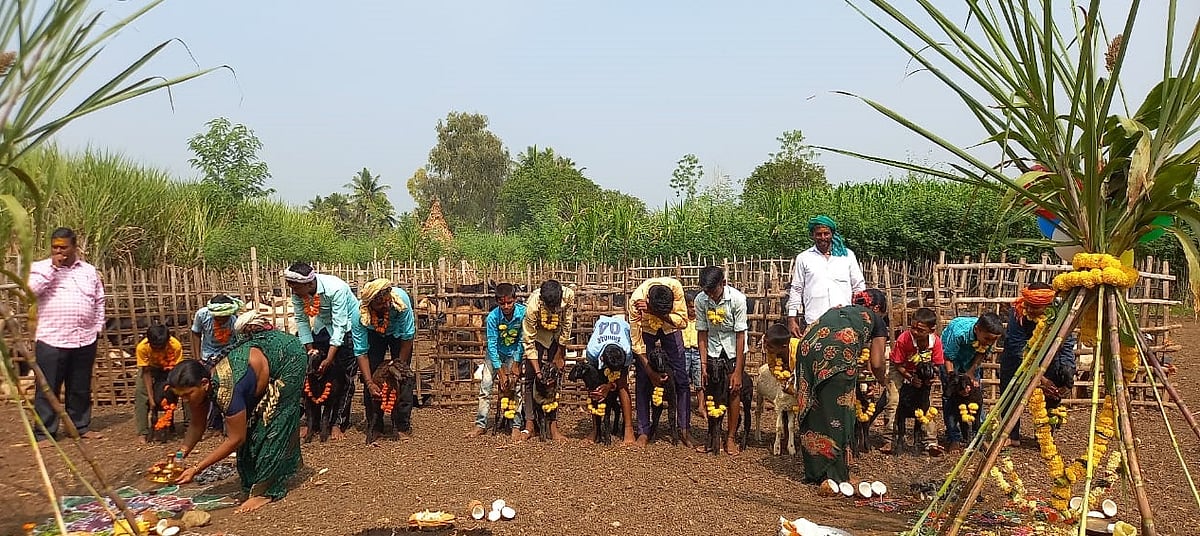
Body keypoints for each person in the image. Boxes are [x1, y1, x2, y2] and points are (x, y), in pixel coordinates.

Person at [170, 311, 305, 513]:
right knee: (251, 428)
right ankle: (256, 480)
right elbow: (197, 425)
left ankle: (267, 491)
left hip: (289, 356)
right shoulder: (199, 388)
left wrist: (196, 469)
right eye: (181, 396)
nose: (185, 400)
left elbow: (236, 438)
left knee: (272, 423)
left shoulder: (227, 389)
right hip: (259, 358)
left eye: (188, 394)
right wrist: (179, 457)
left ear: (205, 384)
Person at [794, 289, 888, 483]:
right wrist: (883, 381)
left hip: (806, 350)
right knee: (840, 413)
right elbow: (877, 363)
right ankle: (837, 475)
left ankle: (815, 471)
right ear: (877, 308)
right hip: (836, 356)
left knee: (815, 408)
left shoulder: (840, 311)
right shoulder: (876, 320)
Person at [29, 227, 106, 440]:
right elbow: (31, 292)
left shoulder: (88, 271)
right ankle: (44, 433)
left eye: (63, 247)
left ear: (74, 247)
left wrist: (97, 327)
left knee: (80, 387)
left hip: (84, 338)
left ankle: (80, 427)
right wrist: (53, 268)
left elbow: (99, 300)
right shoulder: (40, 268)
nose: (58, 251)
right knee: (47, 388)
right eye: (55, 247)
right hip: (52, 339)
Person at [283, 262, 360, 441]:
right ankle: (312, 423)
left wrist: (330, 358)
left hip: (347, 328)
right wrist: (311, 352)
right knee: (311, 373)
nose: (293, 291)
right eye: (291, 286)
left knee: (345, 378)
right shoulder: (298, 293)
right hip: (321, 327)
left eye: (295, 287)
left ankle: (337, 423)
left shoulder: (337, 288)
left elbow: (340, 325)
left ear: (309, 284)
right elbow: (301, 321)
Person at [999, 282, 1077, 447]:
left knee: (1052, 394)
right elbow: (1017, 348)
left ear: (1048, 306)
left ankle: (1044, 435)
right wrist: (1039, 379)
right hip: (1017, 361)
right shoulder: (1018, 312)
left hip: (1050, 359)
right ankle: (1011, 435)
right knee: (1011, 394)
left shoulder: (1062, 315)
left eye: (1035, 307)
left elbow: (1067, 344)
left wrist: (1067, 373)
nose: (1029, 309)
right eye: (1028, 305)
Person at [628, 276, 691, 448]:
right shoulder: (636, 300)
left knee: (681, 378)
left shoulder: (675, 288)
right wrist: (650, 371)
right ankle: (643, 431)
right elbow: (637, 343)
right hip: (646, 330)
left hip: (671, 328)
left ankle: (684, 429)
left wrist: (656, 313)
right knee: (643, 378)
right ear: (647, 299)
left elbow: (683, 322)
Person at [693, 266, 749, 455]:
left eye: (713, 290)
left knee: (734, 391)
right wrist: (703, 365)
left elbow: (740, 335)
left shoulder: (738, 299)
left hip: (734, 350)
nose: (710, 295)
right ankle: (712, 437)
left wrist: (738, 371)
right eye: (706, 291)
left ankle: (730, 437)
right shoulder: (701, 300)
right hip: (712, 350)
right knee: (712, 393)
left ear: (723, 283)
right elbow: (702, 332)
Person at [354, 278, 417, 438]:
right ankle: (375, 425)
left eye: (387, 300)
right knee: (372, 375)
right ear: (370, 305)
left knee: (403, 378)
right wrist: (369, 383)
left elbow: (408, 337)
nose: (387, 305)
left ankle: (402, 425)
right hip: (373, 334)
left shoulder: (401, 302)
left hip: (399, 336)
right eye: (381, 304)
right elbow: (361, 352)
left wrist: (398, 365)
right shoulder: (359, 315)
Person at [786, 215, 867, 338]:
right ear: (812, 235)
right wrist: (792, 318)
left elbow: (859, 286)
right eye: (819, 234)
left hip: (844, 319)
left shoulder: (847, 256)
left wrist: (859, 313)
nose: (823, 237)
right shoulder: (804, 258)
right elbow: (797, 289)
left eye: (826, 234)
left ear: (832, 234)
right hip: (815, 320)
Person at [881, 307, 944, 455]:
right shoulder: (904, 339)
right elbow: (898, 364)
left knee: (925, 404)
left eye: (920, 330)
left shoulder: (935, 342)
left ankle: (930, 441)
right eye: (913, 327)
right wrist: (910, 378)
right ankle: (890, 439)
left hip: (922, 372)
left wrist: (931, 378)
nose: (915, 332)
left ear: (931, 330)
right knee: (894, 400)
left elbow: (936, 365)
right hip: (901, 369)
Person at [939, 312, 1004, 450]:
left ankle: (979, 438)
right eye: (987, 338)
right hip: (951, 363)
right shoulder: (959, 333)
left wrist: (970, 373)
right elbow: (948, 358)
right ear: (977, 329)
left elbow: (982, 352)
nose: (990, 342)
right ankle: (954, 437)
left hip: (970, 363)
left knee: (976, 398)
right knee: (950, 399)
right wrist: (954, 381)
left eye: (993, 340)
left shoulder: (988, 337)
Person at [468, 283, 526, 438]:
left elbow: (522, 340)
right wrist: (500, 372)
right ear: (497, 302)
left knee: (516, 388)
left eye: (509, 303)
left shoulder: (523, 314)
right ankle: (480, 424)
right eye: (502, 303)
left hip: (514, 354)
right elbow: (492, 345)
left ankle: (516, 425)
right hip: (495, 355)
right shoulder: (493, 317)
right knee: (485, 387)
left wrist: (516, 363)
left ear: (515, 299)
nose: (506, 306)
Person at [519, 279, 574, 441]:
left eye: (556, 306)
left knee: (555, 378)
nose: (554, 310)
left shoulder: (569, 296)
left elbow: (567, 325)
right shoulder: (532, 307)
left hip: (556, 336)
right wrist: (538, 371)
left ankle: (553, 426)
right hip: (538, 336)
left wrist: (560, 354)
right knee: (530, 378)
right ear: (542, 300)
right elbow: (529, 342)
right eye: (550, 307)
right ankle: (529, 424)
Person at [583, 314, 636, 444]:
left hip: (621, 330)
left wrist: (609, 385)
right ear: (602, 359)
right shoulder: (592, 351)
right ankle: (596, 429)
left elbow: (619, 379)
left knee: (622, 385)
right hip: (602, 336)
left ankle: (628, 429)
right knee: (595, 387)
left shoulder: (627, 351)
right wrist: (601, 387)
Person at [135, 325, 185, 442]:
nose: (158, 350)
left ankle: (187, 426)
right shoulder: (142, 348)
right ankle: (143, 432)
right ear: (149, 342)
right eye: (155, 347)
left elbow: (176, 370)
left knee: (183, 390)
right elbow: (146, 372)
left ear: (167, 341)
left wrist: (172, 387)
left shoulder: (175, 346)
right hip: (150, 369)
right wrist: (151, 399)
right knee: (140, 393)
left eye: (161, 347)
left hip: (170, 369)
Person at [191, 295, 242, 367]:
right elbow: (196, 333)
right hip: (207, 354)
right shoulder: (202, 315)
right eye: (217, 318)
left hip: (229, 353)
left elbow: (239, 339)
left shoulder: (236, 320)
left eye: (224, 318)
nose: (221, 321)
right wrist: (198, 359)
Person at [682, 289, 703, 419]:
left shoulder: (700, 321)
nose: (693, 310)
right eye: (690, 307)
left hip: (697, 352)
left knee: (699, 381)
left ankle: (701, 405)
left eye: (695, 307)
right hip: (684, 351)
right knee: (683, 380)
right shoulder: (682, 321)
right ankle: (684, 404)